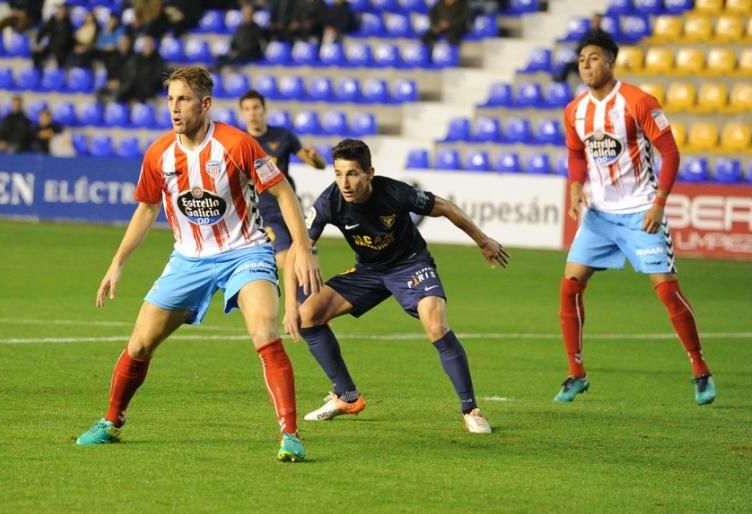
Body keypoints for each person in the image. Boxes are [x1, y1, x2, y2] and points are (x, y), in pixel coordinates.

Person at [76, 66, 324, 462]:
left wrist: (303, 249)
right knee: (139, 344)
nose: (174, 108)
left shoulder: (236, 144)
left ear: (205, 104)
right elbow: (146, 209)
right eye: (171, 99)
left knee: (263, 332)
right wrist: (117, 262)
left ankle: (290, 435)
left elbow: (283, 193)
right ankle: (110, 422)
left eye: (183, 100)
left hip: (245, 251)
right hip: (188, 259)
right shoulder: (159, 153)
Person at [295, 138, 509, 432]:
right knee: (307, 315)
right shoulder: (329, 201)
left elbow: (445, 207)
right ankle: (347, 396)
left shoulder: (394, 192)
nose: (344, 182)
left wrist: (483, 241)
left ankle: (471, 410)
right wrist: (300, 279)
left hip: (410, 263)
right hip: (368, 271)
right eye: (338, 173)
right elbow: (303, 245)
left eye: (352, 173)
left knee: (435, 325)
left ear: (369, 173)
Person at [556, 31, 715, 405]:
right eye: (582, 58)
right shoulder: (574, 110)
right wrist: (576, 187)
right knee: (569, 287)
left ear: (611, 61)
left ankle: (700, 368)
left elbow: (670, 153)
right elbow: (576, 154)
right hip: (599, 217)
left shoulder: (638, 101)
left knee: (668, 292)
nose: (586, 64)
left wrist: (659, 203)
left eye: (594, 58)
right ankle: (576, 373)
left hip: (641, 211)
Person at [237, 89, 325, 278]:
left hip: (291, 206)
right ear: (242, 113)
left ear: (263, 109)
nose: (252, 113)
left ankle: (309, 305)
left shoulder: (283, 135)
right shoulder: (239, 142)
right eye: (247, 109)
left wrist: (316, 159)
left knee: (309, 259)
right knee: (285, 258)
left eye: (255, 108)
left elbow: (317, 165)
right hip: (264, 211)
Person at [553, 14, 608, 84]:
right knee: (569, 65)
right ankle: (561, 81)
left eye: (597, 20)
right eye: (593, 21)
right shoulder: (587, 35)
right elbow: (580, 48)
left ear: (600, 21)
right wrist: (579, 57)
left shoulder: (605, 36)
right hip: (585, 61)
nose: (595, 23)